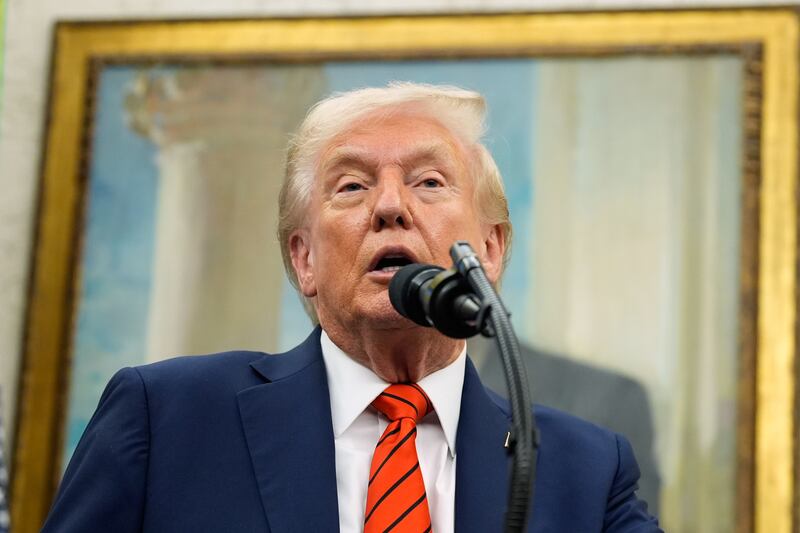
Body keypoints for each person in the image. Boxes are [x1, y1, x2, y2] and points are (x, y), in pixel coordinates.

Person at [43, 82, 661, 532]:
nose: (390, 207)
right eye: (352, 186)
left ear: (491, 250)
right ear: (304, 259)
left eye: (429, 182)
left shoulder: (586, 469)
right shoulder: (166, 419)